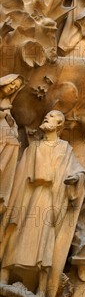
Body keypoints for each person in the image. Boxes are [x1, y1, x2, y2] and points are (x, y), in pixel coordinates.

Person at [0, 110, 85, 297]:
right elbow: (19, 176)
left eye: (53, 116)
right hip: (27, 197)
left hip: (49, 198)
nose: (47, 117)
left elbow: (79, 171)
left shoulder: (65, 149)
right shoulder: (32, 148)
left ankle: (42, 290)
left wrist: (76, 179)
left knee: (45, 240)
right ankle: (4, 277)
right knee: (15, 234)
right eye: (46, 114)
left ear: (60, 124)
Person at [0, 74, 24, 211]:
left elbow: (11, 124)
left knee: (14, 143)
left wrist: (13, 128)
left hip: (4, 139)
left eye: (16, 87)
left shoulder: (6, 104)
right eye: (12, 83)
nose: (13, 87)